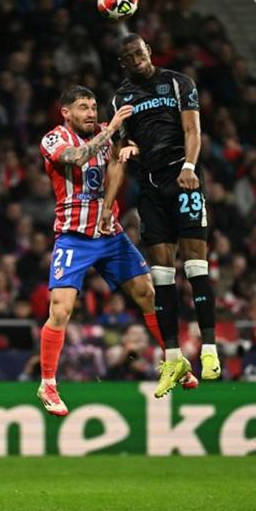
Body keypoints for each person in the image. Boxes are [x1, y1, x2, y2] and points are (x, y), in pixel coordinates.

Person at [36, 85, 197, 416]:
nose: (91, 113)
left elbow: (123, 158)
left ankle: (173, 359)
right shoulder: (54, 139)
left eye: (94, 106)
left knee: (148, 293)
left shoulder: (110, 133)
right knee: (61, 308)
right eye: (83, 107)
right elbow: (76, 158)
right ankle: (48, 383)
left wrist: (129, 149)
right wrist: (111, 132)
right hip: (74, 236)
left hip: (110, 234)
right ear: (66, 112)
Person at [106, 33, 221, 397]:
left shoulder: (178, 82)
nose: (136, 60)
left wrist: (189, 166)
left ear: (148, 52)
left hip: (183, 179)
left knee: (196, 265)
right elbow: (125, 141)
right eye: (128, 57)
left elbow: (192, 129)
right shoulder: (121, 97)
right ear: (123, 63)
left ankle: (209, 349)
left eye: (139, 53)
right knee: (161, 273)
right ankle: (172, 357)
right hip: (152, 190)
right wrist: (129, 148)